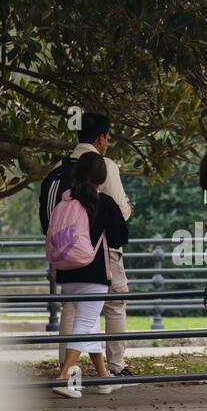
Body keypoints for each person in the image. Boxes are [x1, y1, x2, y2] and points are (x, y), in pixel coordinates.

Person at [41, 113, 135, 377]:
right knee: (114, 303)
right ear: (101, 138)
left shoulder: (56, 171)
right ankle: (114, 366)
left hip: (64, 254)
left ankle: (69, 367)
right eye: (107, 137)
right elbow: (120, 214)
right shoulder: (105, 166)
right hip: (101, 254)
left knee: (73, 307)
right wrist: (128, 209)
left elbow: (47, 217)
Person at [51, 153, 129, 398]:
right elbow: (119, 238)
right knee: (85, 324)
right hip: (93, 273)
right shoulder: (103, 202)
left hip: (67, 272)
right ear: (102, 176)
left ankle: (104, 378)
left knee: (90, 323)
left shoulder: (65, 200)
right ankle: (64, 377)